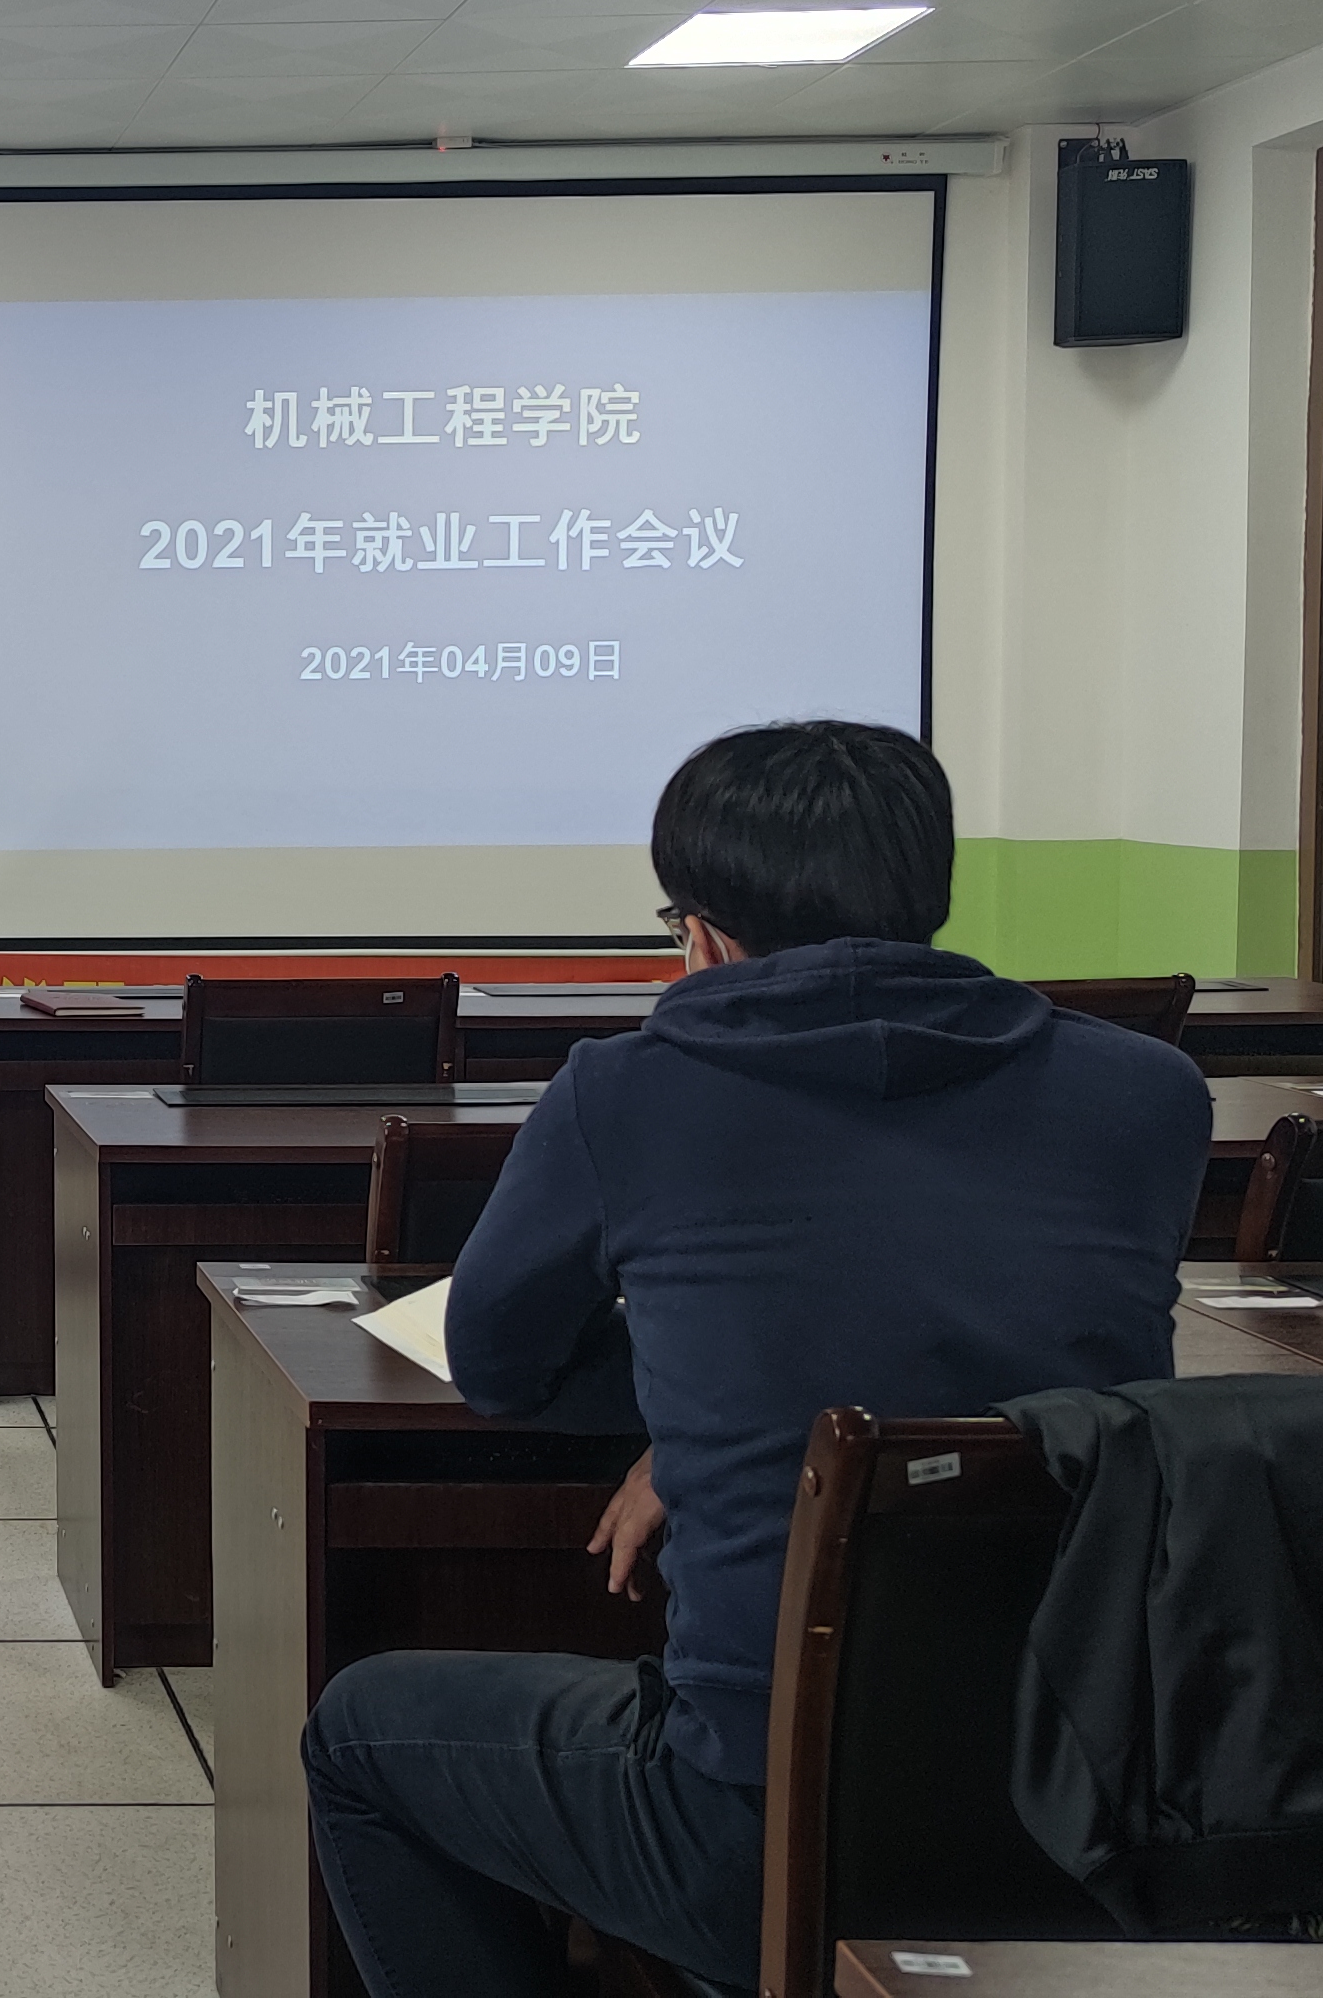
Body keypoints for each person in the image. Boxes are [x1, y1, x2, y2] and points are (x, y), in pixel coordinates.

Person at [297, 720, 1210, 1998]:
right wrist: (702, 1419)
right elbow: (1011, 1336)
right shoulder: (1151, 1093)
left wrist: (697, 1419)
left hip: (759, 1825)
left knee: (359, 1732)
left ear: (707, 936)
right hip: (1104, 1812)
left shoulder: (628, 1090)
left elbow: (495, 1360)